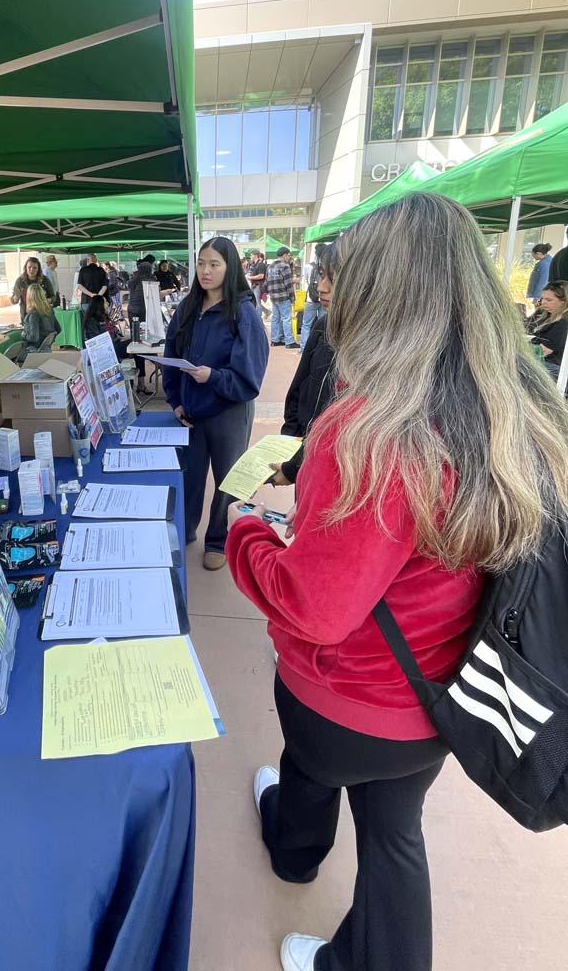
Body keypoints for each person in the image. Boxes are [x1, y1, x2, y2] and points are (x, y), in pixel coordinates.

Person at [225, 192, 568, 971]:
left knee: (309, 763)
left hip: (349, 698)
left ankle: (294, 849)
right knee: (394, 839)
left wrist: (248, 533)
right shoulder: (515, 408)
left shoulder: (377, 426)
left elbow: (315, 607)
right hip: (442, 688)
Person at [162, 237, 268, 570]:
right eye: (201, 263)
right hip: (191, 412)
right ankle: (186, 530)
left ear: (229, 267)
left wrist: (214, 378)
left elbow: (249, 379)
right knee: (190, 475)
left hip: (228, 412)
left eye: (214, 264)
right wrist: (176, 401)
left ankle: (218, 540)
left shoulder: (243, 313)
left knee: (228, 479)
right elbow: (171, 353)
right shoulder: (188, 307)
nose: (205, 271)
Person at [271, 245, 338, 488]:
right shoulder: (323, 327)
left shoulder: (371, 348)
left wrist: (294, 466)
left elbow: (334, 431)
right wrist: (288, 444)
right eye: (321, 275)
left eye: (334, 278)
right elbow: (297, 390)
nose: (321, 287)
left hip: (328, 472)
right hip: (303, 458)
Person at [83, 295, 151, 395]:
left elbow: (116, 332)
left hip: (115, 344)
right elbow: (96, 340)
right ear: (99, 305)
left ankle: (141, 383)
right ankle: (140, 385)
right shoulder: (92, 321)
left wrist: (120, 337)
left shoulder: (105, 316)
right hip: (107, 349)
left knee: (137, 349)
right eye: (105, 302)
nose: (107, 304)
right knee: (135, 344)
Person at [529, 280, 568, 379]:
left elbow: (543, 351)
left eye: (549, 300)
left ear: (563, 302)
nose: (543, 302)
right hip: (537, 360)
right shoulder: (542, 313)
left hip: (552, 366)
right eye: (543, 298)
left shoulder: (563, 323)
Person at [263, 246, 299, 349]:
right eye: (288, 255)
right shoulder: (285, 266)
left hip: (273, 297)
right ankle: (289, 341)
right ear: (284, 255)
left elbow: (266, 283)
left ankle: (275, 340)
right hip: (283, 296)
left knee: (275, 318)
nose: (289, 257)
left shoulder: (270, 267)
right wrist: (292, 298)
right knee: (286, 318)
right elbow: (288, 284)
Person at [299, 242, 327, 349]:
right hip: (323, 299)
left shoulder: (308, 266)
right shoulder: (327, 265)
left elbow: (307, 281)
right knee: (322, 324)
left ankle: (303, 348)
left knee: (306, 324)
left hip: (311, 298)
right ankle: (319, 347)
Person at [23, 282, 61, 352]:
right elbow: (58, 329)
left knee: (11, 355)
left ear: (29, 297)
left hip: (33, 351)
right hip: (46, 349)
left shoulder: (33, 315)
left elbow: (34, 338)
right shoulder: (49, 311)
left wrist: (24, 334)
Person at [127, 259, 155, 330]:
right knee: (142, 332)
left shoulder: (134, 280)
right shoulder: (149, 281)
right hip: (143, 309)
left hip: (131, 309)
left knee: (134, 332)